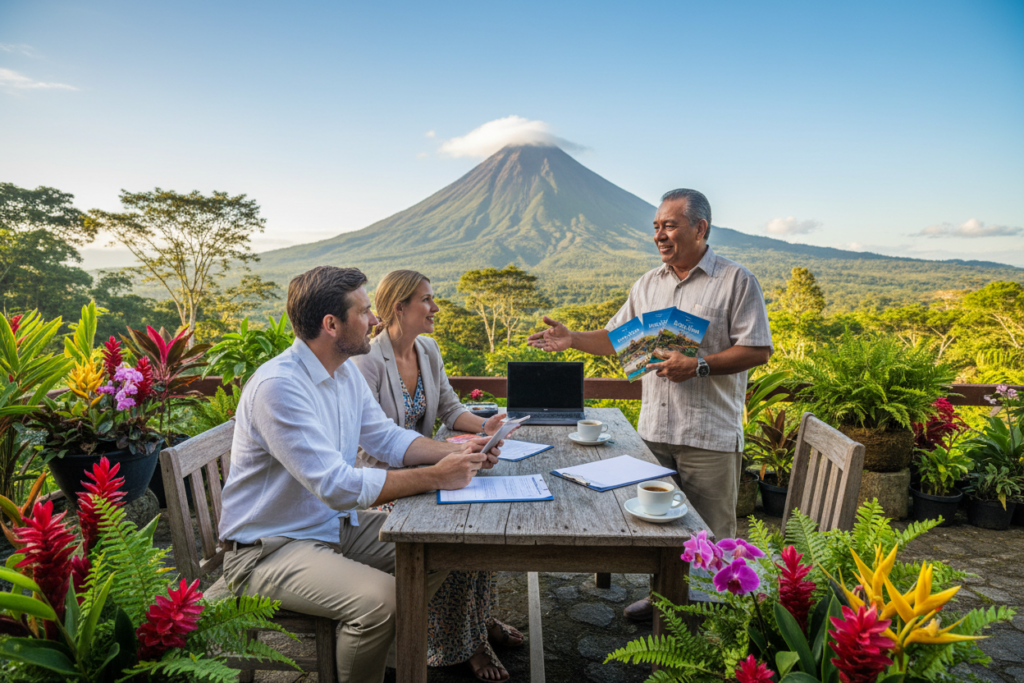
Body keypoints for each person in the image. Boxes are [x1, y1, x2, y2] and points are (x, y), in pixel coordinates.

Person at [218, 266, 503, 683]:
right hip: (268, 548)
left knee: (444, 548)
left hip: (330, 526)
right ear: (331, 324)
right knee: (382, 601)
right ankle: (371, 645)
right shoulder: (279, 387)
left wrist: (461, 453)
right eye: (365, 311)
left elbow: (386, 438)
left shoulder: (344, 370)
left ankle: (379, 652)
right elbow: (336, 485)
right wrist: (437, 476)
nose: (374, 320)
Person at [527, 188, 773, 621]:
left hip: (709, 434)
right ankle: (665, 602)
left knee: (712, 533)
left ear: (701, 228)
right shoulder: (647, 284)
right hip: (654, 432)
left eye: (670, 225)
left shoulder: (735, 280)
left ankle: (708, 626)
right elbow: (616, 339)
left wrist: (698, 366)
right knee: (659, 528)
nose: (660, 234)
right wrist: (572, 339)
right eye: (656, 226)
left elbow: (757, 350)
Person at [352, 269, 523, 682]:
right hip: (388, 483)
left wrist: (484, 429)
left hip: (428, 466)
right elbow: (375, 442)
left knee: (480, 517)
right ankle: (464, 645)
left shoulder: (427, 349)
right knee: (453, 531)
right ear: (399, 307)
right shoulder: (367, 362)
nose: (435, 307)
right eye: (427, 299)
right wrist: (451, 455)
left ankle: (477, 623)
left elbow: (450, 409)